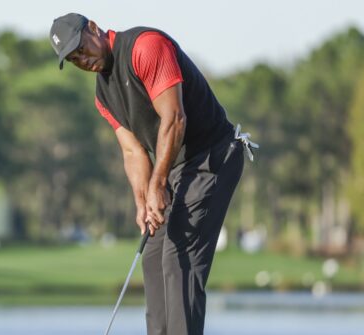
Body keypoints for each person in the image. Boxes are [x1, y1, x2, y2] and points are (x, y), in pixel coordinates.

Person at [49, 13, 257, 335]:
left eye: (81, 48)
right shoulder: (103, 95)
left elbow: (174, 118)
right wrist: (143, 200)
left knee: (179, 259)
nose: (82, 59)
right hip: (174, 169)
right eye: (73, 58)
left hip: (212, 157)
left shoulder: (145, 47)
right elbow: (133, 152)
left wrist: (158, 183)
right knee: (153, 259)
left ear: (93, 28)